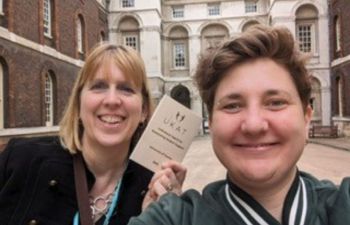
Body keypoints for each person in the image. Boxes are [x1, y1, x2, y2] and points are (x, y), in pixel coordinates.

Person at [128, 25, 350, 225]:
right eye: (233, 106)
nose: (253, 125)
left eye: (275, 103)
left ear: (306, 118)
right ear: (212, 123)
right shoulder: (174, 218)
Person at [0, 43, 186, 225]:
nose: (112, 100)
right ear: (79, 102)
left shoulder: (153, 188)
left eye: (126, 89)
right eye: (99, 86)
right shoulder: (20, 160)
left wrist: (157, 218)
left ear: (143, 110)